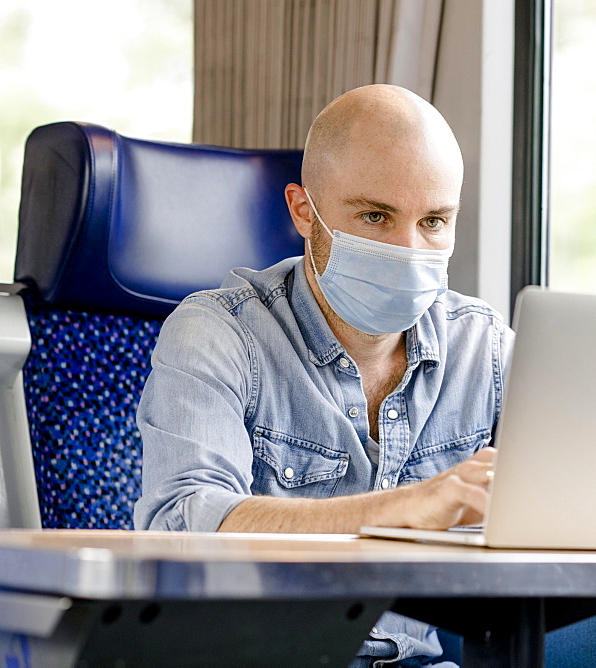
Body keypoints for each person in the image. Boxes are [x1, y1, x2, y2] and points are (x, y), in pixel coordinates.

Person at [135, 84, 513, 666]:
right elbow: (180, 525)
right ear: (304, 211)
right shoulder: (220, 333)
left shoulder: (482, 344)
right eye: (375, 216)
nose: (409, 249)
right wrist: (395, 512)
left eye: (434, 221)